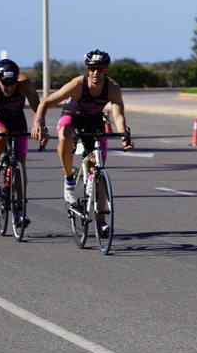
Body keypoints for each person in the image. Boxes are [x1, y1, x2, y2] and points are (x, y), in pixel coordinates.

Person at [31, 50, 134, 236]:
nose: (96, 73)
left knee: (99, 171)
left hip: (94, 121)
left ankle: (101, 222)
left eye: (101, 69)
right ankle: (69, 179)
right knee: (65, 136)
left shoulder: (113, 88)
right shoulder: (78, 84)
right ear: (88, 69)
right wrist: (38, 122)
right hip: (73, 116)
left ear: (106, 70)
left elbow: (118, 115)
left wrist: (124, 137)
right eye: (92, 68)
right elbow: (45, 103)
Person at [0, 59, 44, 223]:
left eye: (13, 83)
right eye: (5, 84)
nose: (9, 88)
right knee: (2, 135)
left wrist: (41, 127)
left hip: (17, 119)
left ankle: (20, 209)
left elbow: (38, 109)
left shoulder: (24, 84)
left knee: (20, 163)